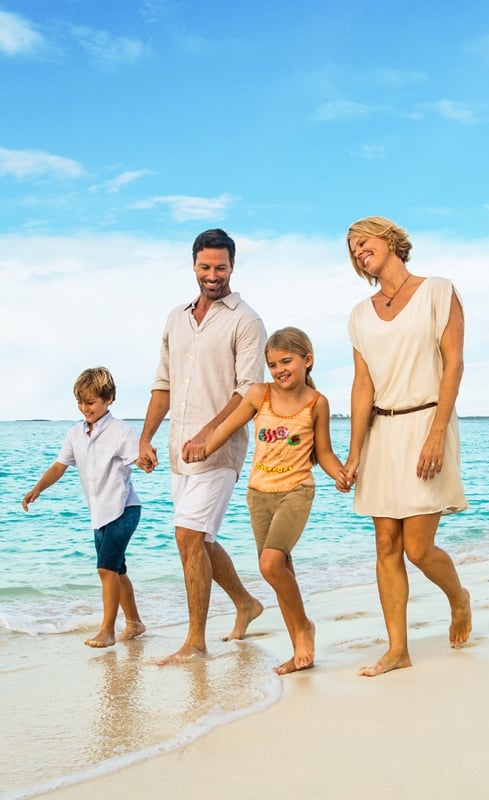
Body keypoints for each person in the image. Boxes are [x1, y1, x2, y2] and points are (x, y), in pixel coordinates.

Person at [343, 216, 471, 677]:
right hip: (382, 432)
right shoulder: (360, 314)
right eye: (352, 248)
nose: (358, 250)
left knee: (418, 548)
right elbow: (362, 387)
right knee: (385, 543)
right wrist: (354, 453)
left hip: (427, 421)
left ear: (391, 239)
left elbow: (454, 364)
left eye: (363, 241)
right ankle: (398, 648)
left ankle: (458, 597)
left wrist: (438, 431)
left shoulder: (438, 290)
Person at [137, 228, 266, 665]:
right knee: (203, 541)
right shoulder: (176, 317)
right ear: (193, 265)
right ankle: (246, 603)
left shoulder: (246, 321)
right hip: (178, 450)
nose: (213, 275)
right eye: (206, 267)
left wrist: (208, 437)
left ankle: (195, 641)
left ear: (233, 267)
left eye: (221, 267)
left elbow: (248, 393)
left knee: (187, 536)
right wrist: (146, 437)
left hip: (221, 451)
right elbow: (163, 384)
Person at [199, 327, 349, 674]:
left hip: (296, 491)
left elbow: (323, 452)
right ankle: (299, 647)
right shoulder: (258, 394)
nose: (279, 369)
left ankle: (305, 629)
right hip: (259, 495)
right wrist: (202, 449)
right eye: (272, 364)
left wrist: (339, 473)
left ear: (306, 360)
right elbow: (227, 427)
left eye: (287, 361)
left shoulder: (317, 403)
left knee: (269, 565)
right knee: (282, 571)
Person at [22, 367, 146, 648]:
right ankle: (135, 623)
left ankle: (107, 631)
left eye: (90, 402)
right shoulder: (75, 434)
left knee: (105, 569)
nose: (84, 408)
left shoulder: (121, 431)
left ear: (109, 399)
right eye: (80, 402)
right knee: (118, 570)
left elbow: (137, 458)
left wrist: (146, 461)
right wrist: (37, 489)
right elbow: (59, 466)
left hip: (123, 509)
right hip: (99, 513)